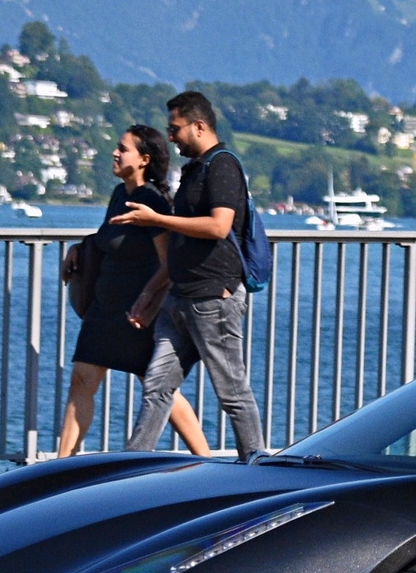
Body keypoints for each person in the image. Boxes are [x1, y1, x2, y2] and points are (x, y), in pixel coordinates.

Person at [113, 91, 265, 459]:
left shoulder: (223, 165)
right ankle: (133, 466)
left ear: (199, 126)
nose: (170, 136)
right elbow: (181, 246)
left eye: (175, 128)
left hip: (214, 298)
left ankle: (258, 464)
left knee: (232, 392)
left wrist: (157, 219)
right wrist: (150, 294)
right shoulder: (195, 169)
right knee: (157, 386)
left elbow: (218, 225)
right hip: (181, 298)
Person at [57, 127, 210, 457]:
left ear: (144, 159)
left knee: (157, 388)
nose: (115, 153)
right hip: (105, 306)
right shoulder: (118, 194)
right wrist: (79, 248)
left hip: (137, 312)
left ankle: (206, 459)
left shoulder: (152, 203)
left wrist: (149, 304)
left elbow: (169, 261)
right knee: (81, 381)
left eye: (122, 149)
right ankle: (61, 466)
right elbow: (107, 238)